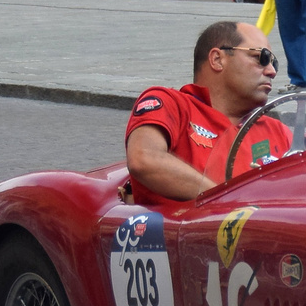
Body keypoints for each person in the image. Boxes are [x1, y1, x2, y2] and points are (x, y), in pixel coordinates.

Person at [124, 21, 293, 205]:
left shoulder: (278, 131)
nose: (272, 71)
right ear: (217, 59)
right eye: (261, 57)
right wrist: (227, 201)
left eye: (273, 62)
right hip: (183, 230)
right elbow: (144, 159)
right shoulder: (172, 103)